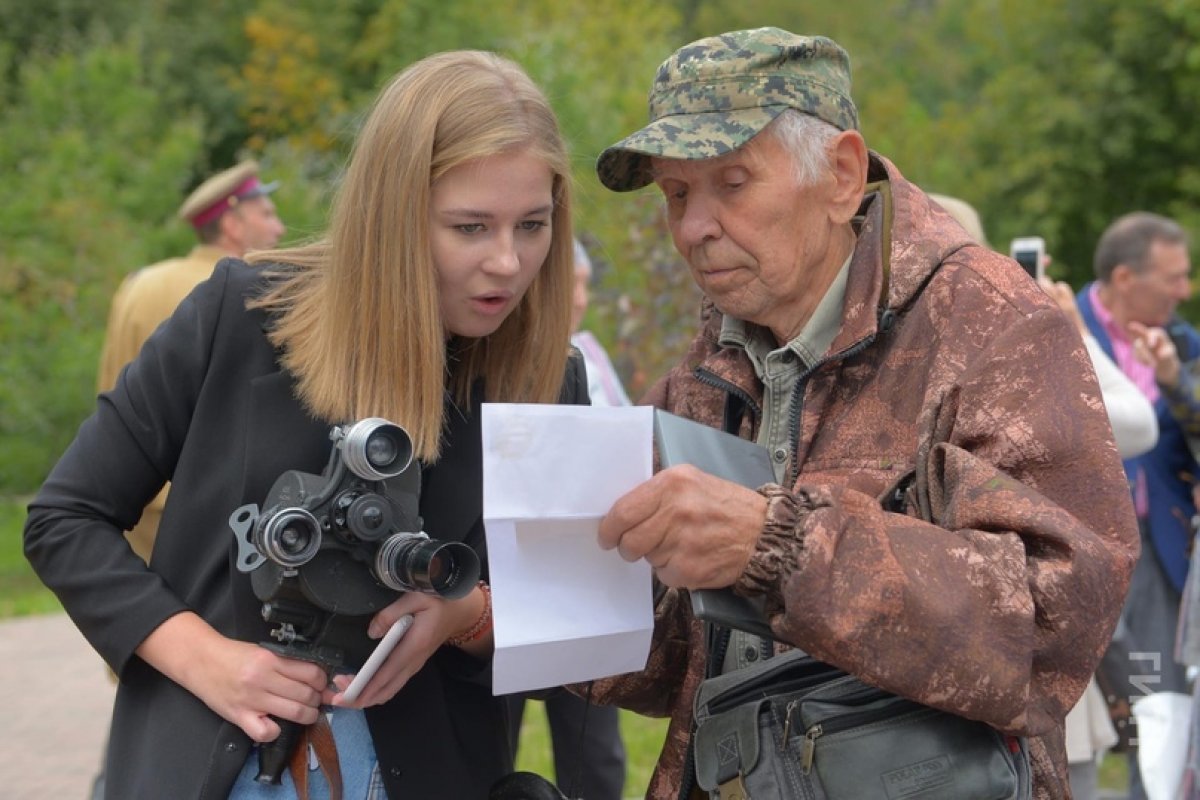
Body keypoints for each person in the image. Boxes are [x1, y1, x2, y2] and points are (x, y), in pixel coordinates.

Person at [583, 27, 1139, 798]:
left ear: (842, 174)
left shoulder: (986, 319)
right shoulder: (710, 364)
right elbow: (685, 660)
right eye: (677, 194)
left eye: (731, 182)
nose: (692, 227)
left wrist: (779, 547)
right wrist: (490, 621)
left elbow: (1052, 624)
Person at [25, 49, 585, 799]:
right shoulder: (242, 316)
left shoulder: (552, 380)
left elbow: (584, 646)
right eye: (470, 227)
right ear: (392, 214)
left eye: (534, 226)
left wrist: (469, 615)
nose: (508, 264)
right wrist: (205, 660)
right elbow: (65, 518)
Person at [96, 159, 286, 561]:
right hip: (211, 509)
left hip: (132, 496)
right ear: (232, 225)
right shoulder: (246, 291)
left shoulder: (141, 282)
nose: (280, 228)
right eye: (267, 214)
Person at [1075, 211, 1200, 799]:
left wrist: (1176, 380)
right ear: (1125, 277)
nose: (1184, 290)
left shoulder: (1182, 342)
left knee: (1156, 695)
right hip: (1081, 539)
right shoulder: (1063, 325)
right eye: (1173, 277)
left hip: (1157, 547)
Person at [506, 238, 629, 800]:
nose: (577, 298)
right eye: (568, 284)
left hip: (585, 572)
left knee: (592, 738)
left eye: (583, 285)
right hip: (523, 569)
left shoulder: (590, 355)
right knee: (497, 728)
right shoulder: (513, 363)